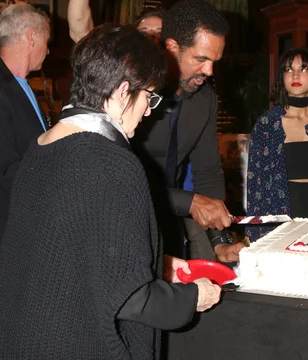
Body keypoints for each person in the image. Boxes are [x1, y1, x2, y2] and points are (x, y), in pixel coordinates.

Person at [0, 24, 221, 359]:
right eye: (148, 96)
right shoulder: (111, 162)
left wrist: (156, 264)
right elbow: (131, 297)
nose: (148, 111)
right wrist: (192, 297)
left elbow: (72, 252)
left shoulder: (41, 147)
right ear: (122, 93)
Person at [67, 0, 242, 261]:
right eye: (201, 58)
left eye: (215, 60)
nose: (210, 71)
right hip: (110, 224)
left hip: (165, 220)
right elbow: (111, 179)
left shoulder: (204, 100)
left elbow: (208, 173)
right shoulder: (127, 93)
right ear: (172, 46)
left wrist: (221, 241)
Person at [246, 48, 308, 241]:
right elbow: (255, 183)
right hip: (277, 217)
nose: (295, 74)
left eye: (304, 69)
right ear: (281, 77)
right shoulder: (267, 124)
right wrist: (254, 232)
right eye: (289, 69)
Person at [0, 3, 51, 241]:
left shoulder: (22, 83)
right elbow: (5, 168)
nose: (48, 51)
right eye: (47, 42)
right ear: (32, 36)